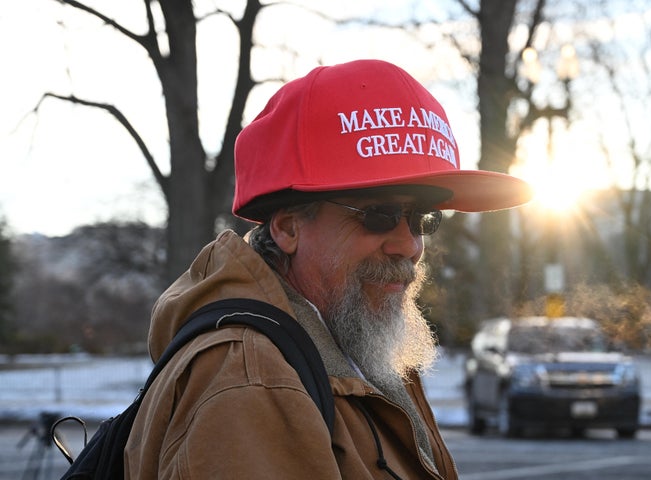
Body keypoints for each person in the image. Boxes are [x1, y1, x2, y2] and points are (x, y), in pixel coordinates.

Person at [125, 59, 532, 479]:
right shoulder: (251, 385)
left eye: (423, 218)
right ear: (288, 228)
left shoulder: (355, 349)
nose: (409, 245)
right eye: (379, 215)